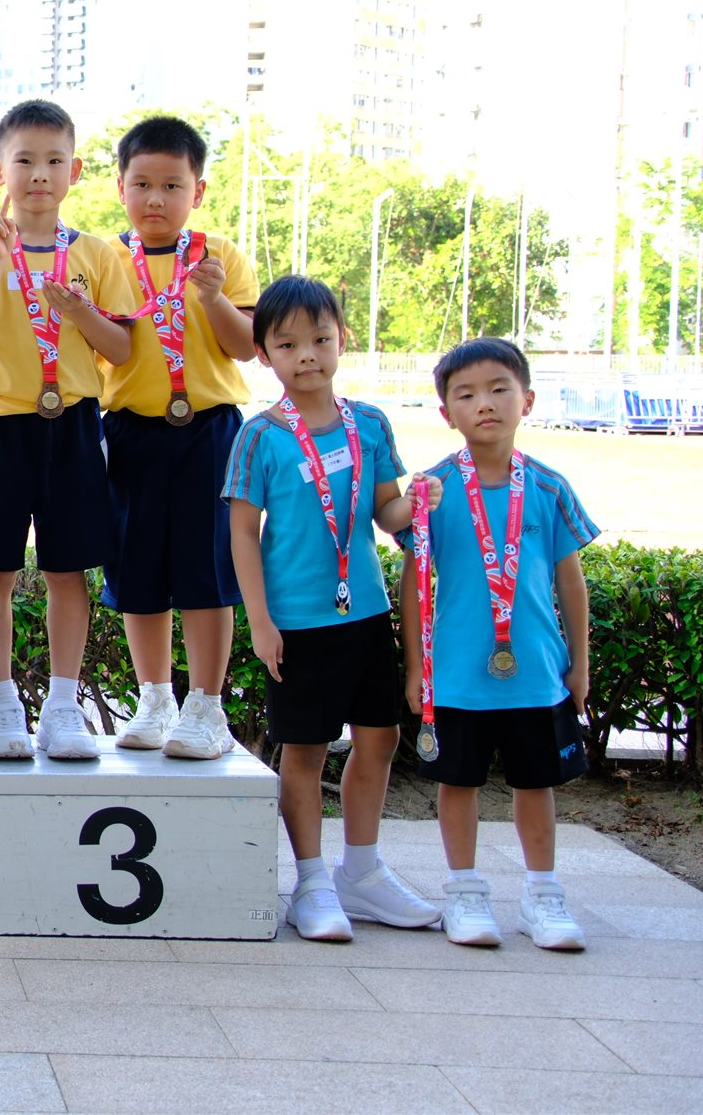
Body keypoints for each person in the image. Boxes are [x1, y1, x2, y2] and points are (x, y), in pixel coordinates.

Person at [223, 275, 443, 941]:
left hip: (365, 614)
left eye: (320, 339)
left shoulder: (368, 423)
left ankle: (363, 871)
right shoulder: (260, 436)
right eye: (288, 343)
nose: (307, 355)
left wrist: (419, 504)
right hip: (297, 624)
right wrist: (260, 622)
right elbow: (242, 533)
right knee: (305, 749)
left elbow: (386, 511)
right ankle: (312, 881)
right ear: (264, 353)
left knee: (380, 736)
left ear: (342, 339)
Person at [0, 101, 136, 760]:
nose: (38, 174)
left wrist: (80, 312)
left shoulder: (96, 254)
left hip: (74, 426)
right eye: (23, 160)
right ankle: (2, 705)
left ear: (75, 171)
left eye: (54, 160)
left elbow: (122, 349)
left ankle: (62, 706)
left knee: (67, 571)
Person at [402, 338, 598, 950]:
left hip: (536, 673)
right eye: (466, 395)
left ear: (527, 400)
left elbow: (571, 581)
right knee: (456, 783)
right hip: (457, 676)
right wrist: (416, 668)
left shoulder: (548, 487)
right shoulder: (433, 490)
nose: (484, 404)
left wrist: (580, 662)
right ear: (446, 413)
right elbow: (413, 583)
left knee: (535, 784)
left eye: (498, 389)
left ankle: (543, 895)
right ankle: (463, 893)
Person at [98, 115, 259, 761]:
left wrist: (214, 297)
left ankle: (207, 708)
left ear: (199, 190)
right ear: (120, 187)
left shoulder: (220, 256)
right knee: (137, 569)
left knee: (206, 570)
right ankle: (155, 698)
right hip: (130, 432)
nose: (156, 199)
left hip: (209, 433)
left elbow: (246, 347)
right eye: (142, 184)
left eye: (172, 185)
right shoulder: (103, 259)